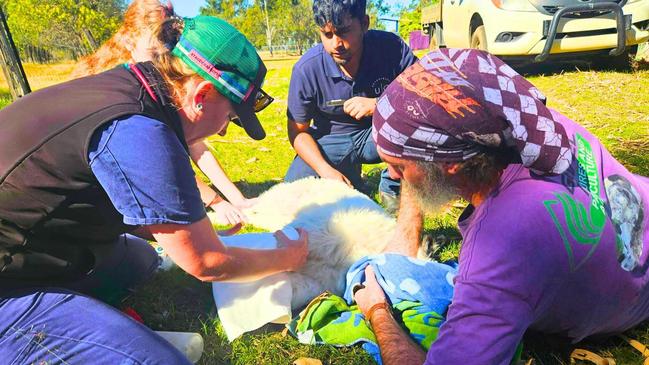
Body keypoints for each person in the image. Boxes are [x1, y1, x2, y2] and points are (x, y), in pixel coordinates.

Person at [0, 15, 308, 363]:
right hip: (7, 281)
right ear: (202, 94)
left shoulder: (130, 87)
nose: (223, 131)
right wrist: (289, 257)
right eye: (230, 117)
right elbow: (206, 263)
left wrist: (187, 233)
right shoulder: (140, 130)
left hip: (39, 240)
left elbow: (99, 190)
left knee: (144, 262)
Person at [353, 48, 649, 364]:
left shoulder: (501, 249)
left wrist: (377, 310)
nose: (393, 177)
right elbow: (429, 150)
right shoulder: (532, 128)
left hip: (634, 301)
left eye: (398, 165)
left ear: (449, 165)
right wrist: (406, 233)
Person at [73, 0, 258, 226]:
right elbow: (157, 157)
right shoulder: (127, 92)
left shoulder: (158, 83)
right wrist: (216, 202)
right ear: (131, 39)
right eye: (156, 53)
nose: (163, 62)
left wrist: (236, 199)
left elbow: (193, 144)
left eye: (170, 52)